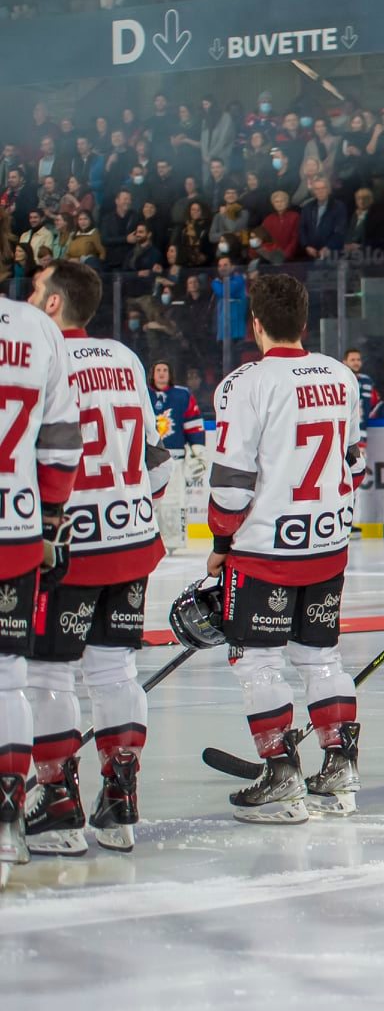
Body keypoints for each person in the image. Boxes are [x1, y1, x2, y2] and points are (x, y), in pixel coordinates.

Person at [19, 263, 171, 855]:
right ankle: (121, 804)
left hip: (68, 546)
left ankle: (58, 808)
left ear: (53, 305)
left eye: (34, 290)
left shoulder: (40, 360)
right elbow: (155, 464)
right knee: (114, 671)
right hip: (131, 539)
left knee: (47, 674)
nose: (29, 299)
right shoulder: (126, 357)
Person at [204, 270, 365, 822]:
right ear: (305, 323)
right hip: (327, 544)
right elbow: (355, 464)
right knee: (322, 657)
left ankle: (280, 774)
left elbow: (230, 481)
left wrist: (221, 540)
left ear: (255, 325)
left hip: (265, 551)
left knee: (255, 660)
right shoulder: (341, 377)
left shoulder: (248, 383)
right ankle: (340, 768)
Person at [0, 262, 79, 883]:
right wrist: (50, 521)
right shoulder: (36, 327)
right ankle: (7, 824)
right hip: (18, 528)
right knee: (8, 678)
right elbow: (59, 440)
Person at [148, 358, 206, 551]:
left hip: (174, 459)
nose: (162, 373)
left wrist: (198, 450)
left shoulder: (182, 395)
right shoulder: (144, 394)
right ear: (152, 373)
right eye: (158, 370)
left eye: (165, 370)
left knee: (173, 501)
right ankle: (149, 539)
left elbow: (193, 424)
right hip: (148, 459)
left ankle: (172, 542)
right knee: (149, 501)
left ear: (170, 374)